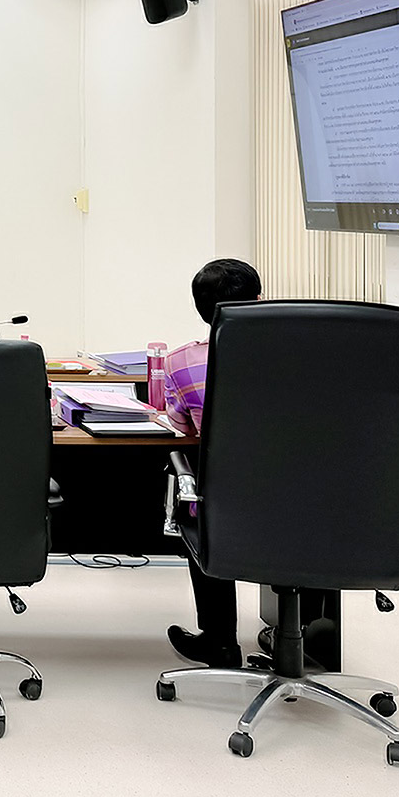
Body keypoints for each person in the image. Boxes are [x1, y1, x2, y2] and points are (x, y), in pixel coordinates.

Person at [160, 257, 263, 669]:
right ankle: (306, 634)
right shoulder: (304, 355)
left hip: (228, 502)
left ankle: (220, 641)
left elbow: (182, 428)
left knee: (200, 506)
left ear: (202, 310)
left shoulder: (181, 362)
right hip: (305, 502)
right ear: (259, 300)